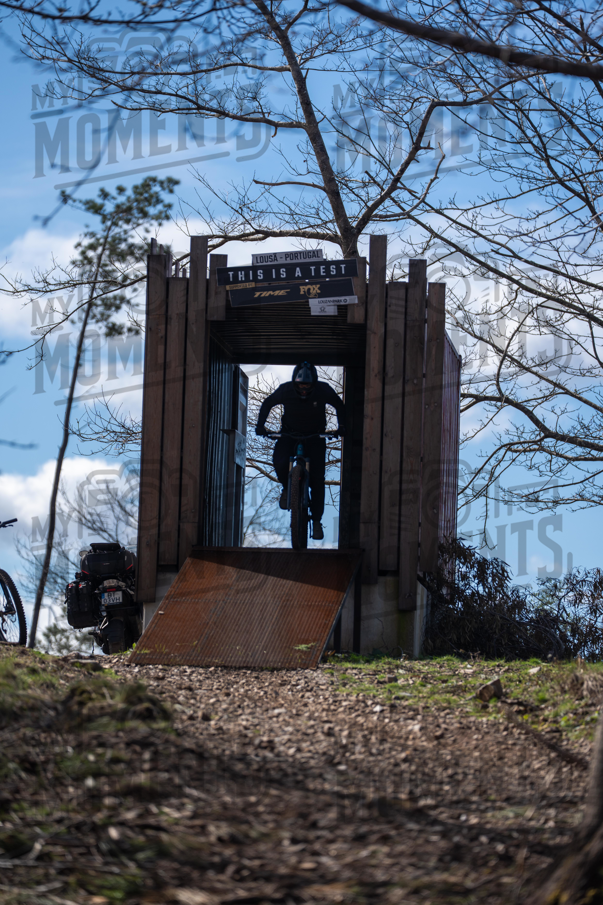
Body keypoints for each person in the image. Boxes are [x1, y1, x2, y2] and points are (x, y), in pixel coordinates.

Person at [255, 362, 345, 541]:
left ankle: (317, 521)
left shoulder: (323, 390)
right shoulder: (285, 390)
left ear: (314, 383)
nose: (304, 390)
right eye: (300, 385)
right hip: (289, 433)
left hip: (315, 436)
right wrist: (260, 425)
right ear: (294, 383)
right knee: (280, 461)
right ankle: (287, 488)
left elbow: (338, 405)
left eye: (307, 386)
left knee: (318, 479)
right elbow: (267, 403)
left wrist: (341, 426)